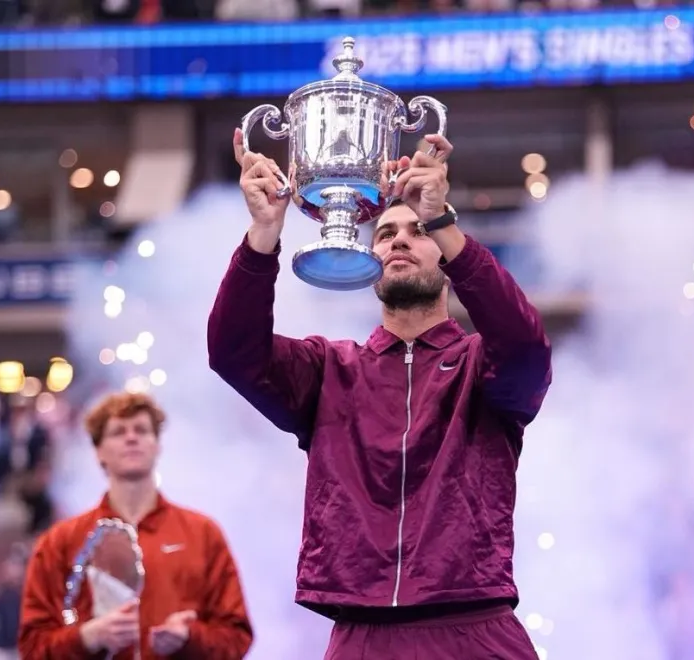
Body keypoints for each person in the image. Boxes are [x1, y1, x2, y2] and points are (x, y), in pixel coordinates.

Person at [207, 129, 552, 659]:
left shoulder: (482, 367)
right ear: (369, 261)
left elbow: (527, 347)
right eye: (386, 232)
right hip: (362, 633)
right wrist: (263, 232)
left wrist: (442, 217)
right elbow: (233, 351)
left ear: (445, 250)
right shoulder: (329, 369)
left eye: (418, 230)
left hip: (475, 627)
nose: (399, 239)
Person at [17, 392, 254, 659]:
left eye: (142, 430)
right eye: (118, 432)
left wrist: (190, 638)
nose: (131, 438)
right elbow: (32, 646)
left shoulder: (203, 534)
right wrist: (86, 637)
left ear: (157, 445)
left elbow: (238, 635)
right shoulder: (59, 542)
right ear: (98, 451)